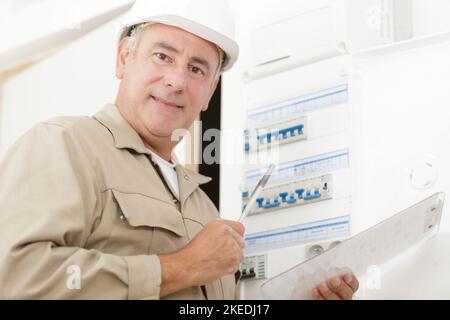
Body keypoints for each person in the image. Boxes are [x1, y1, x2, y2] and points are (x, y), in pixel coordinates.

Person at [0, 0, 358, 300]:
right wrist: (182, 266)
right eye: (162, 57)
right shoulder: (65, 143)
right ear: (124, 58)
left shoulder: (203, 207)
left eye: (197, 69)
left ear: (209, 93)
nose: (177, 81)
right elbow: (16, 278)